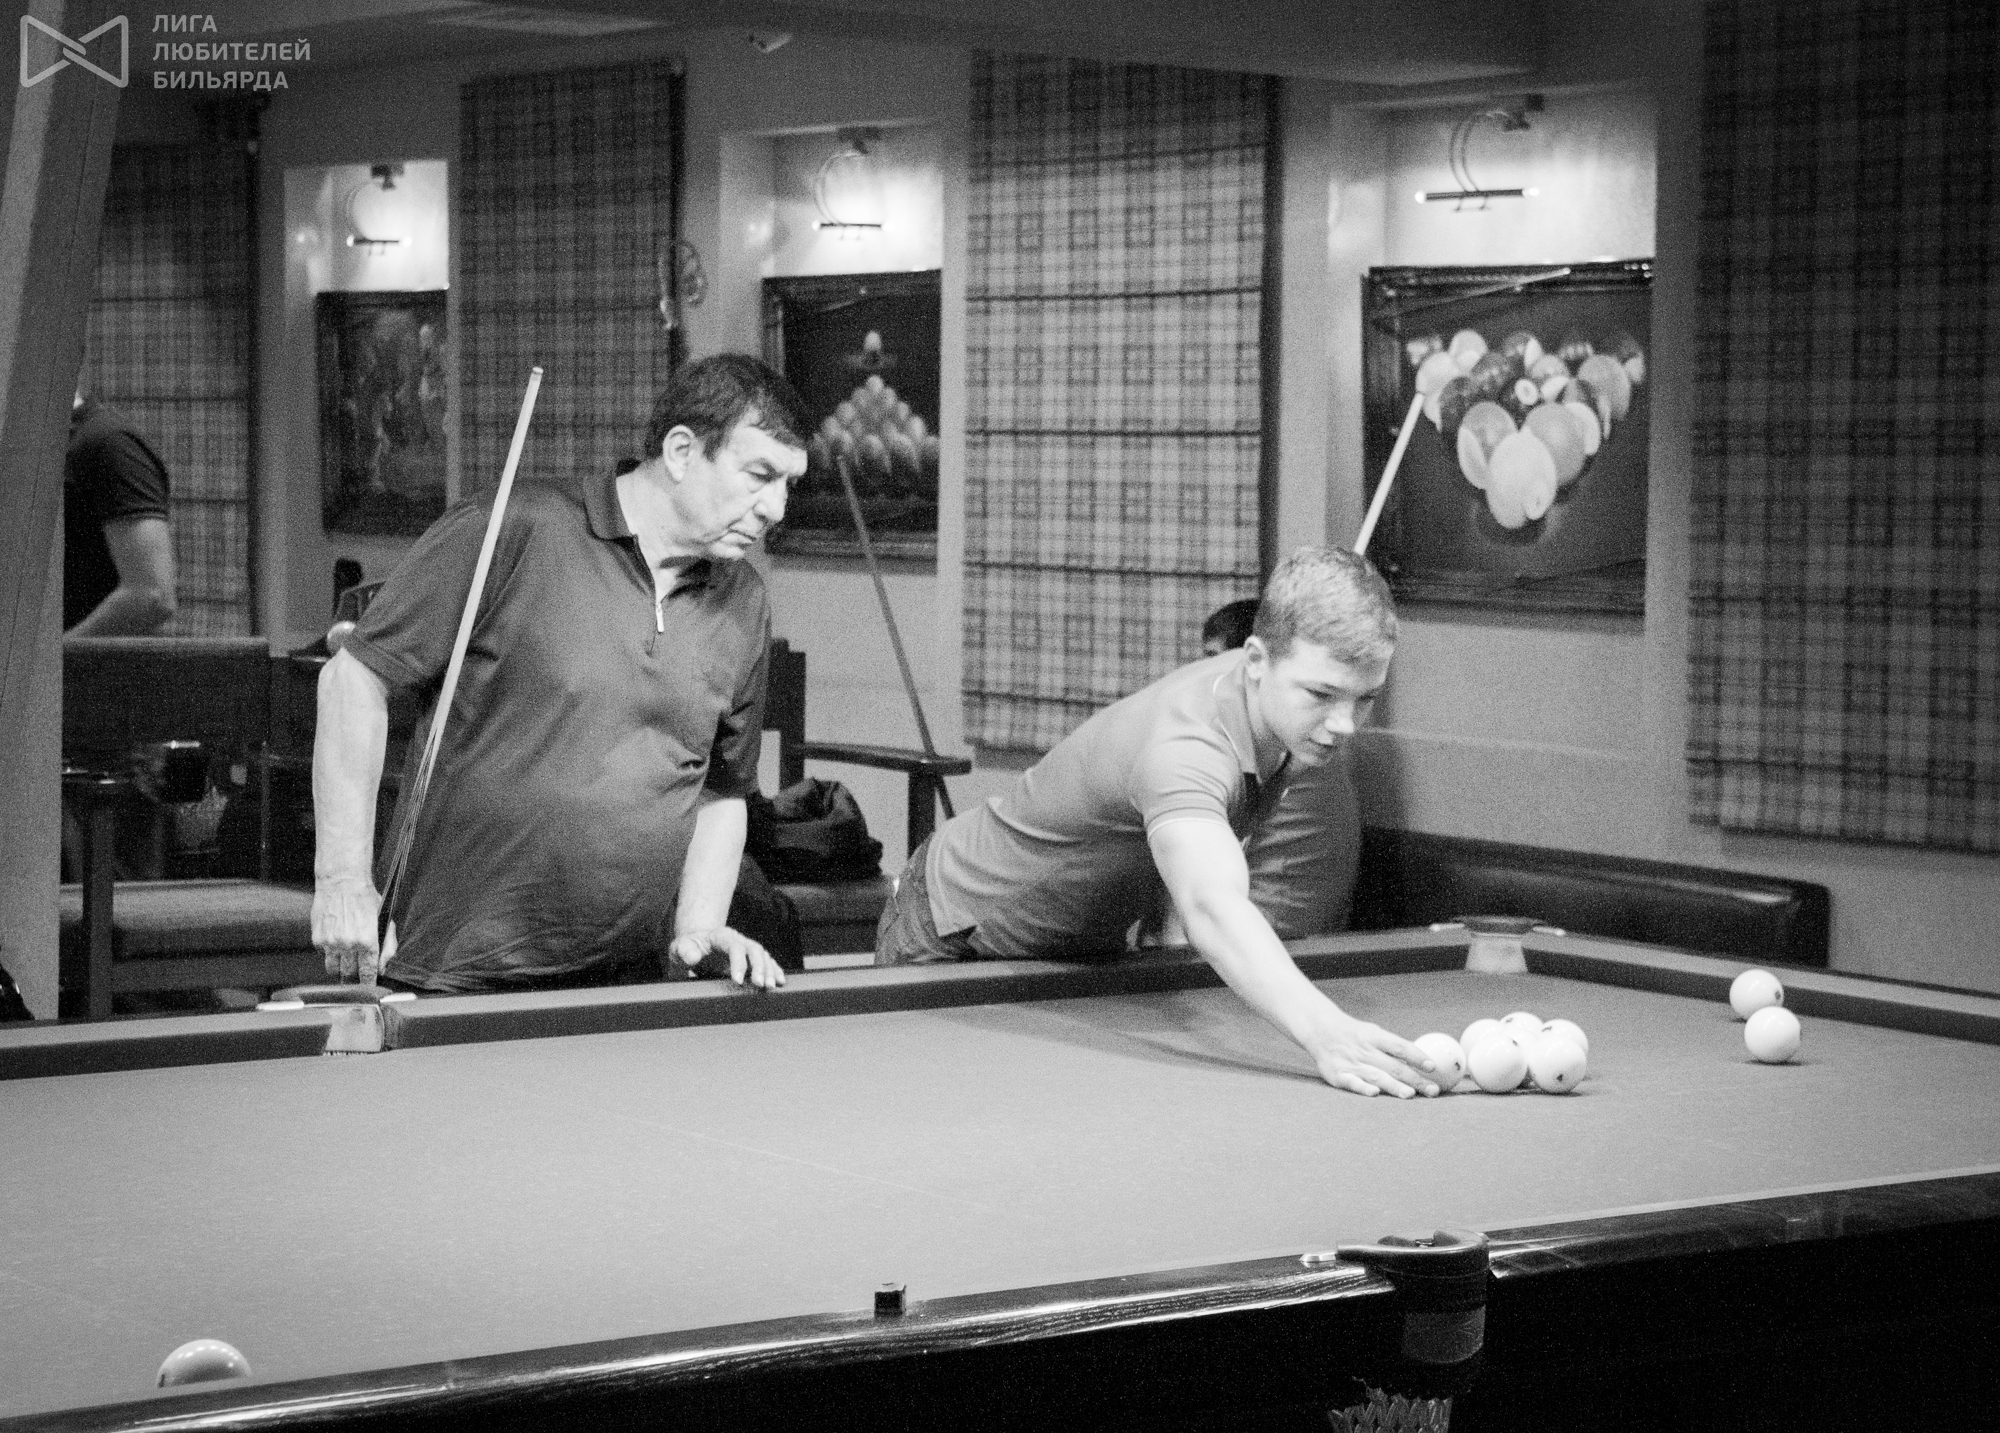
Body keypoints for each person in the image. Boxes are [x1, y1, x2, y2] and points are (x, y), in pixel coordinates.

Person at [312, 355, 809, 995]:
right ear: (682, 451)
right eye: (760, 475)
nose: (776, 508)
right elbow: (353, 680)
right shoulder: (516, 527)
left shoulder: (743, 599)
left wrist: (700, 925)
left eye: (789, 484)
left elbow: (721, 788)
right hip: (458, 967)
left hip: (629, 977)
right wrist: (342, 880)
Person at [877, 546, 1438, 1098]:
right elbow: (1211, 907)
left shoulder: (1280, 706)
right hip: (956, 925)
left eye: (1365, 698)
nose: (1345, 724)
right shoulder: (1187, 750)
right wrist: (1326, 1032)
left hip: (1072, 950)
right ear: (1255, 661)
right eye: (1322, 694)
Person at [1201, 597, 1363, 940]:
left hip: (1272, 933)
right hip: (1275, 926)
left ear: (1254, 664)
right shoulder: (1290, 735)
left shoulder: (1284, 742)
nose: (1201, 674)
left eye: (1213, 660)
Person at [65, 389, 176, 635]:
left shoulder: (109, 444)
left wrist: (53, 656)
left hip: (83, 658)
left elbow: (150, 596)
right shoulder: (36, 449)